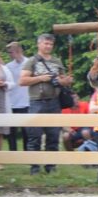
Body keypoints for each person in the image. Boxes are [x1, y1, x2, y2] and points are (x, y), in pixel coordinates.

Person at [19, 33, 73, 175]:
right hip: (37, 101)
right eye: (45, 44)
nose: (48, 46)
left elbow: (62, 79)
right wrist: (40, 78)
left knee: (53, 136)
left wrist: (65, 81)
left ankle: (51, 167)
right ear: (39, 44)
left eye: (50, 44)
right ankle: (34, 168)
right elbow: (22, 81)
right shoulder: (31, 61)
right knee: (34, 136)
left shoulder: (56, 61)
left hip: (54, 102)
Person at [5, 41, 30, 151]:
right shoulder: (8, 66)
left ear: (19, 51)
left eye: (12, 52)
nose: (10, 54)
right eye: (9, 52)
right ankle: (13, 151)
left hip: (26, 101)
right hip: (12, 101)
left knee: (26, 130)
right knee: (11, 130)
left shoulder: (29, 63)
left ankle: (26, 152)